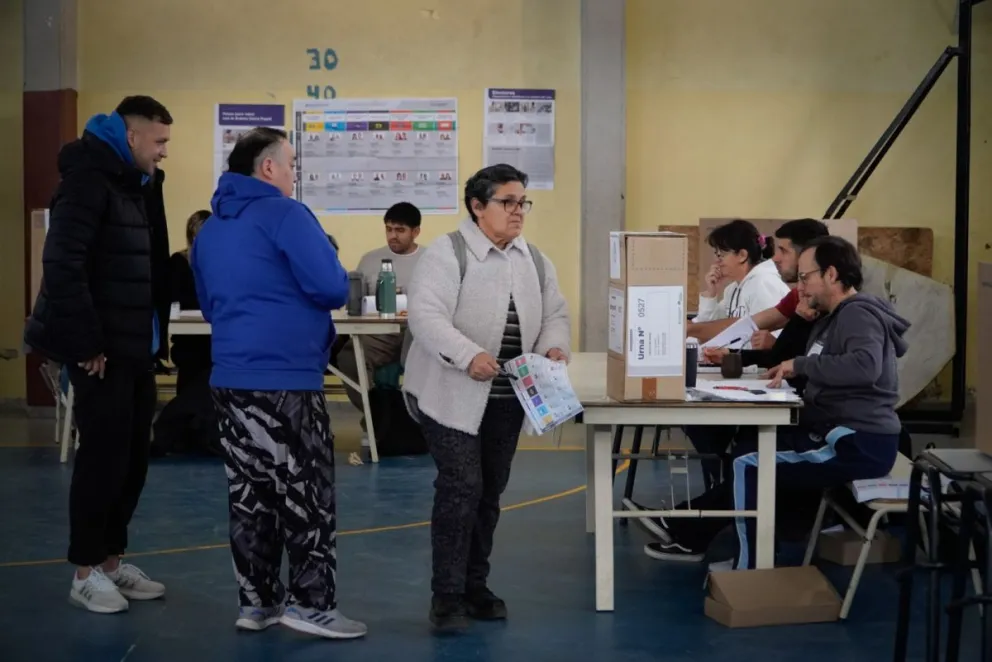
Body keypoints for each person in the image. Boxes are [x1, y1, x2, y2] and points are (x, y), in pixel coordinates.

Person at [191, 127, 366, 639]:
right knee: (306, 494)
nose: (294, 173)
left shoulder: (210, 230)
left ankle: (257, 602)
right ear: (268, 168)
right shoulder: (287, 215)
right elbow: (332, 286)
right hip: (286, 379)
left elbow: (208, 303)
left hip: (230, 377)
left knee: (250, 493)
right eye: (291, 164)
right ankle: (312, 605)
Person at [644, 236, 908, 570]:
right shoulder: (833, 316)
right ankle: (698, 528)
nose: (801, 287)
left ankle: (750, 567)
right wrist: (804, 324)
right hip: (836, 430)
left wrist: (800, 365)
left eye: (805, 277)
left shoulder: (857, 316)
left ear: (831, 274)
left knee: (747, 463)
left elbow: (864, 366)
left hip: (855, 441)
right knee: (749, 446)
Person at [403, 164, 571, 630]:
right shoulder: (446, 254)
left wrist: (555, 345)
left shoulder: (533, 259)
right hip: (447, 394)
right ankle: (447, 596)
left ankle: (476, 585)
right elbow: (426, 317)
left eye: (523, 203)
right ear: (478, 207)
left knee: (491, 490)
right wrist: (467, 354)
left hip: (507, 398)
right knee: (461, 487)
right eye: (507, 202)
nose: (518, 212)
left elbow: (556, 311)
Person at [24, 96, 173, 613]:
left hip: (136, 347)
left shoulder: (140, 184)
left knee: (132, 460)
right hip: (100, 353)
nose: (163, 153)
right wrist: (86, 344)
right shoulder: (87, 182)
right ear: (131, 138)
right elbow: (62, 264)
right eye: (159, 142)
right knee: (101, 462)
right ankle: (85, 571)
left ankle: (112, 560)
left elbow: (148, 263)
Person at [335, 201, 422, 446]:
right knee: (348, 359)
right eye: (389, 229)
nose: (393, 236)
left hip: (416, 335)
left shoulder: (431, 260)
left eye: (400, 230)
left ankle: (407, 422)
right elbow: (357, 302)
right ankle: (377, 419)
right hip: (377, 335)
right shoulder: (370, 260)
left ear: (415, 231)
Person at [150, 210, 218, 458]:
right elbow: (174, 299)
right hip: (188, 338)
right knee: (194, 361)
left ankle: (204, 431)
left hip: (212, 337)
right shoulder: (178, 262)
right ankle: (187, 431)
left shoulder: (221, 263)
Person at [688, 219, 790, 346]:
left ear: (742, 255)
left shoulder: (764, 283)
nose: (716, 262)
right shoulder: (732, 289)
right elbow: (707, 330)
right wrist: (711, 293)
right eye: (716, 255)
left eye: (721, 255)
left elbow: (769, 339)